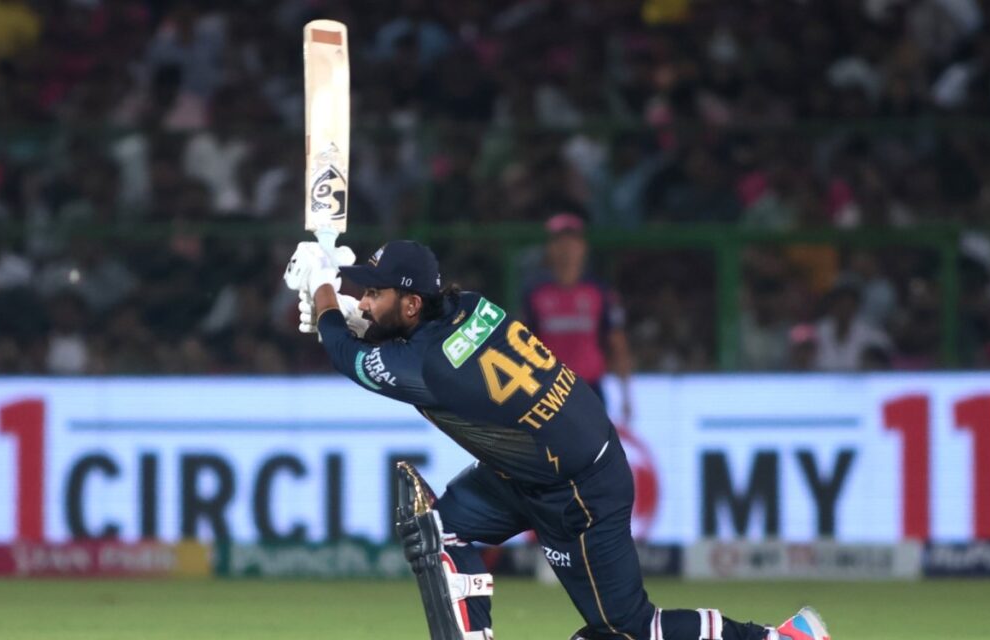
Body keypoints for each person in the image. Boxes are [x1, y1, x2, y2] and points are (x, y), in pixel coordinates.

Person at [283, 238, 830, 640]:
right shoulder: (469, 305)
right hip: (531, 470)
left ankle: (781, 638)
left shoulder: (429, 366)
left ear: (410, 304)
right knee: (438, 531)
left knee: (630, 629)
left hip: (578, 492)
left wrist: (325, 294)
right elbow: (401, 340)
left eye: (373, 293)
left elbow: (352, 358)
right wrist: (348, 309)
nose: (366, 300)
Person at [524, 213, 633, 424]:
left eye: (572, 242)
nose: (566, 249)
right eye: (559, 242)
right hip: (548, 391)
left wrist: (626, 395)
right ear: (549, 248)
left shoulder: (599, 293)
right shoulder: (535, 294)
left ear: (583, 247)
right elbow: (523, 344)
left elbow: (617, 342)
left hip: (589, 389)